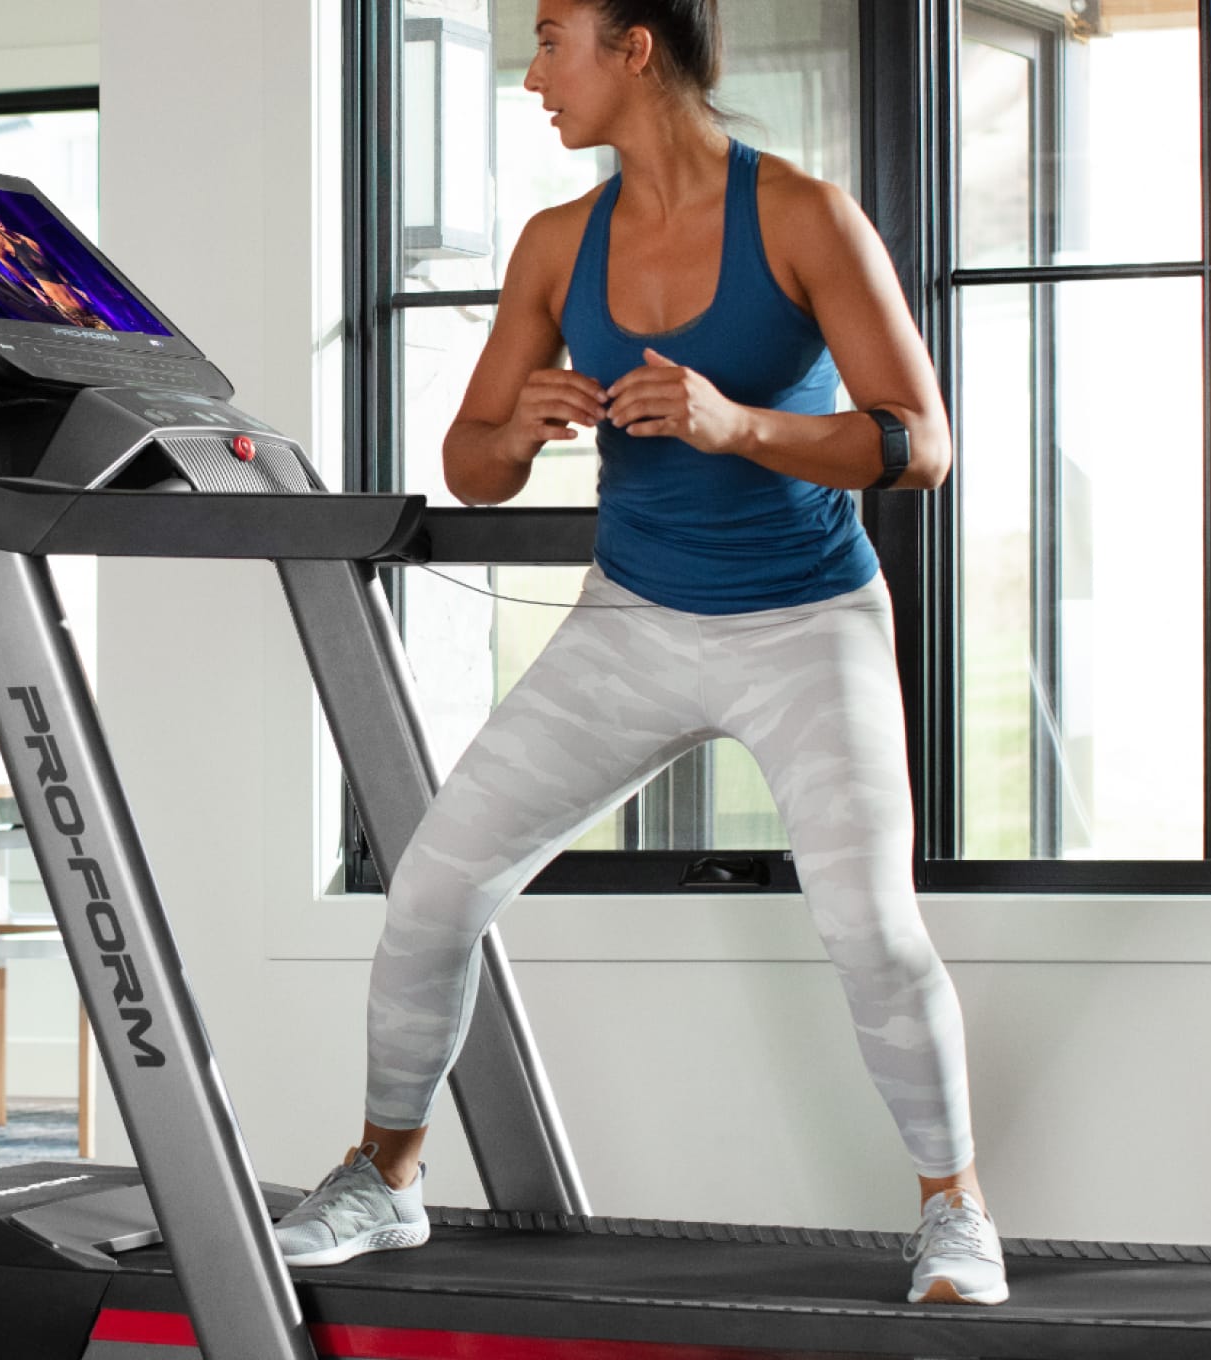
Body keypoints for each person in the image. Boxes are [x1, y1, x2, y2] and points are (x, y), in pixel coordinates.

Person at [268, 0, 1005, 1307]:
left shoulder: (804, 218)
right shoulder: (560, 246)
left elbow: (920, 443)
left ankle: (956, 1211)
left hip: (806, 622)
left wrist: (743, 427)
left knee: (872, 927)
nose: (534, 71)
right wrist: (526, 424)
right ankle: (385, 1177)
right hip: (633, 621)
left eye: (553, 36)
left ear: (637, 47)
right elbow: (468, 464)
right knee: (435, 886)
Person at [0, 187, 108, 330]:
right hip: (63, 305)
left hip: (78, 300)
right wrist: (32, 288)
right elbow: (5, 265)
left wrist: (74, 287)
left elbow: (50, 268)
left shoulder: (26, 239)